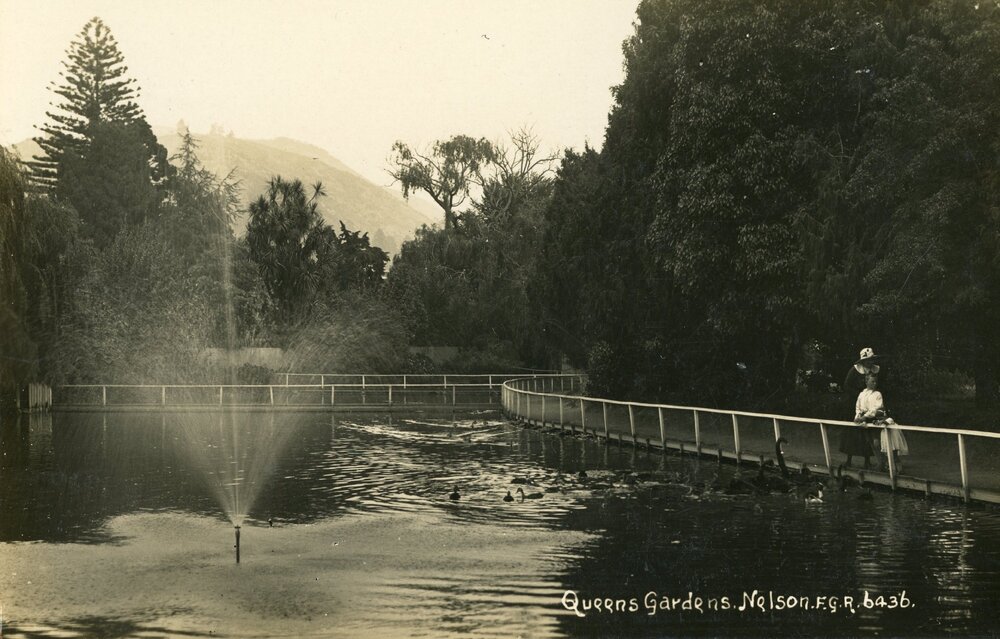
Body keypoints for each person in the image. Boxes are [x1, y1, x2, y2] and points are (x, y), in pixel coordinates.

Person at [839, 347, 881, 468]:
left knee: (868, 432)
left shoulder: (874, 371)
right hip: (854, 404)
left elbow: (877, 385)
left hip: (869, 404)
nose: (870, 362)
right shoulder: (855, 370)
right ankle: (849, 460)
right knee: (852, 432)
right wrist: (860, 395)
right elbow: (847, 386)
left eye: (872, 359)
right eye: (868, 360)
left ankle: (867, 460)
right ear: (863, 361)